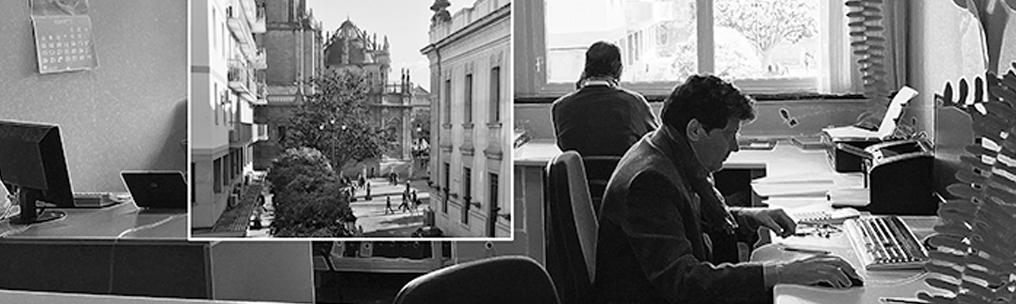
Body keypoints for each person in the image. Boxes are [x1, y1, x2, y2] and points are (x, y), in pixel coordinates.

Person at [593, 75, 861, 304]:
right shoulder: (650, 181)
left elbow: (682, 217)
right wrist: (782, 272)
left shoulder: (665, 150)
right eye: (729, 134)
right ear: (695, 130)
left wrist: (747, 216)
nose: (734, 147)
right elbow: (682, 281)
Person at [551, 41, 659, 157]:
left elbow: (565, 147)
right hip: (625, 173)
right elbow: (655, 141)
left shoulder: (561, 107)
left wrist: (578, 90)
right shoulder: (634, 103)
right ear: (619, 71)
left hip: (579, 174)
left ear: (585, 70)